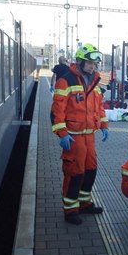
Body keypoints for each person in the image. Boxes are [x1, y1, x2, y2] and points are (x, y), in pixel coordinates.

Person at [51, 43, 108, 225]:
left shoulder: (95, 82)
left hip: (89, 136)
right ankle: (70, 210)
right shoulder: (65, 80)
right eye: (89, 63)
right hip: (74, 136)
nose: (92, 66)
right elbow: (57, 110)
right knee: (75, 173)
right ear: (80, 61)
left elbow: (99, 107)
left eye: (94, 63)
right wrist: (62, 133)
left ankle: (85, 203)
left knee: (90, 170)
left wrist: (104, 125)